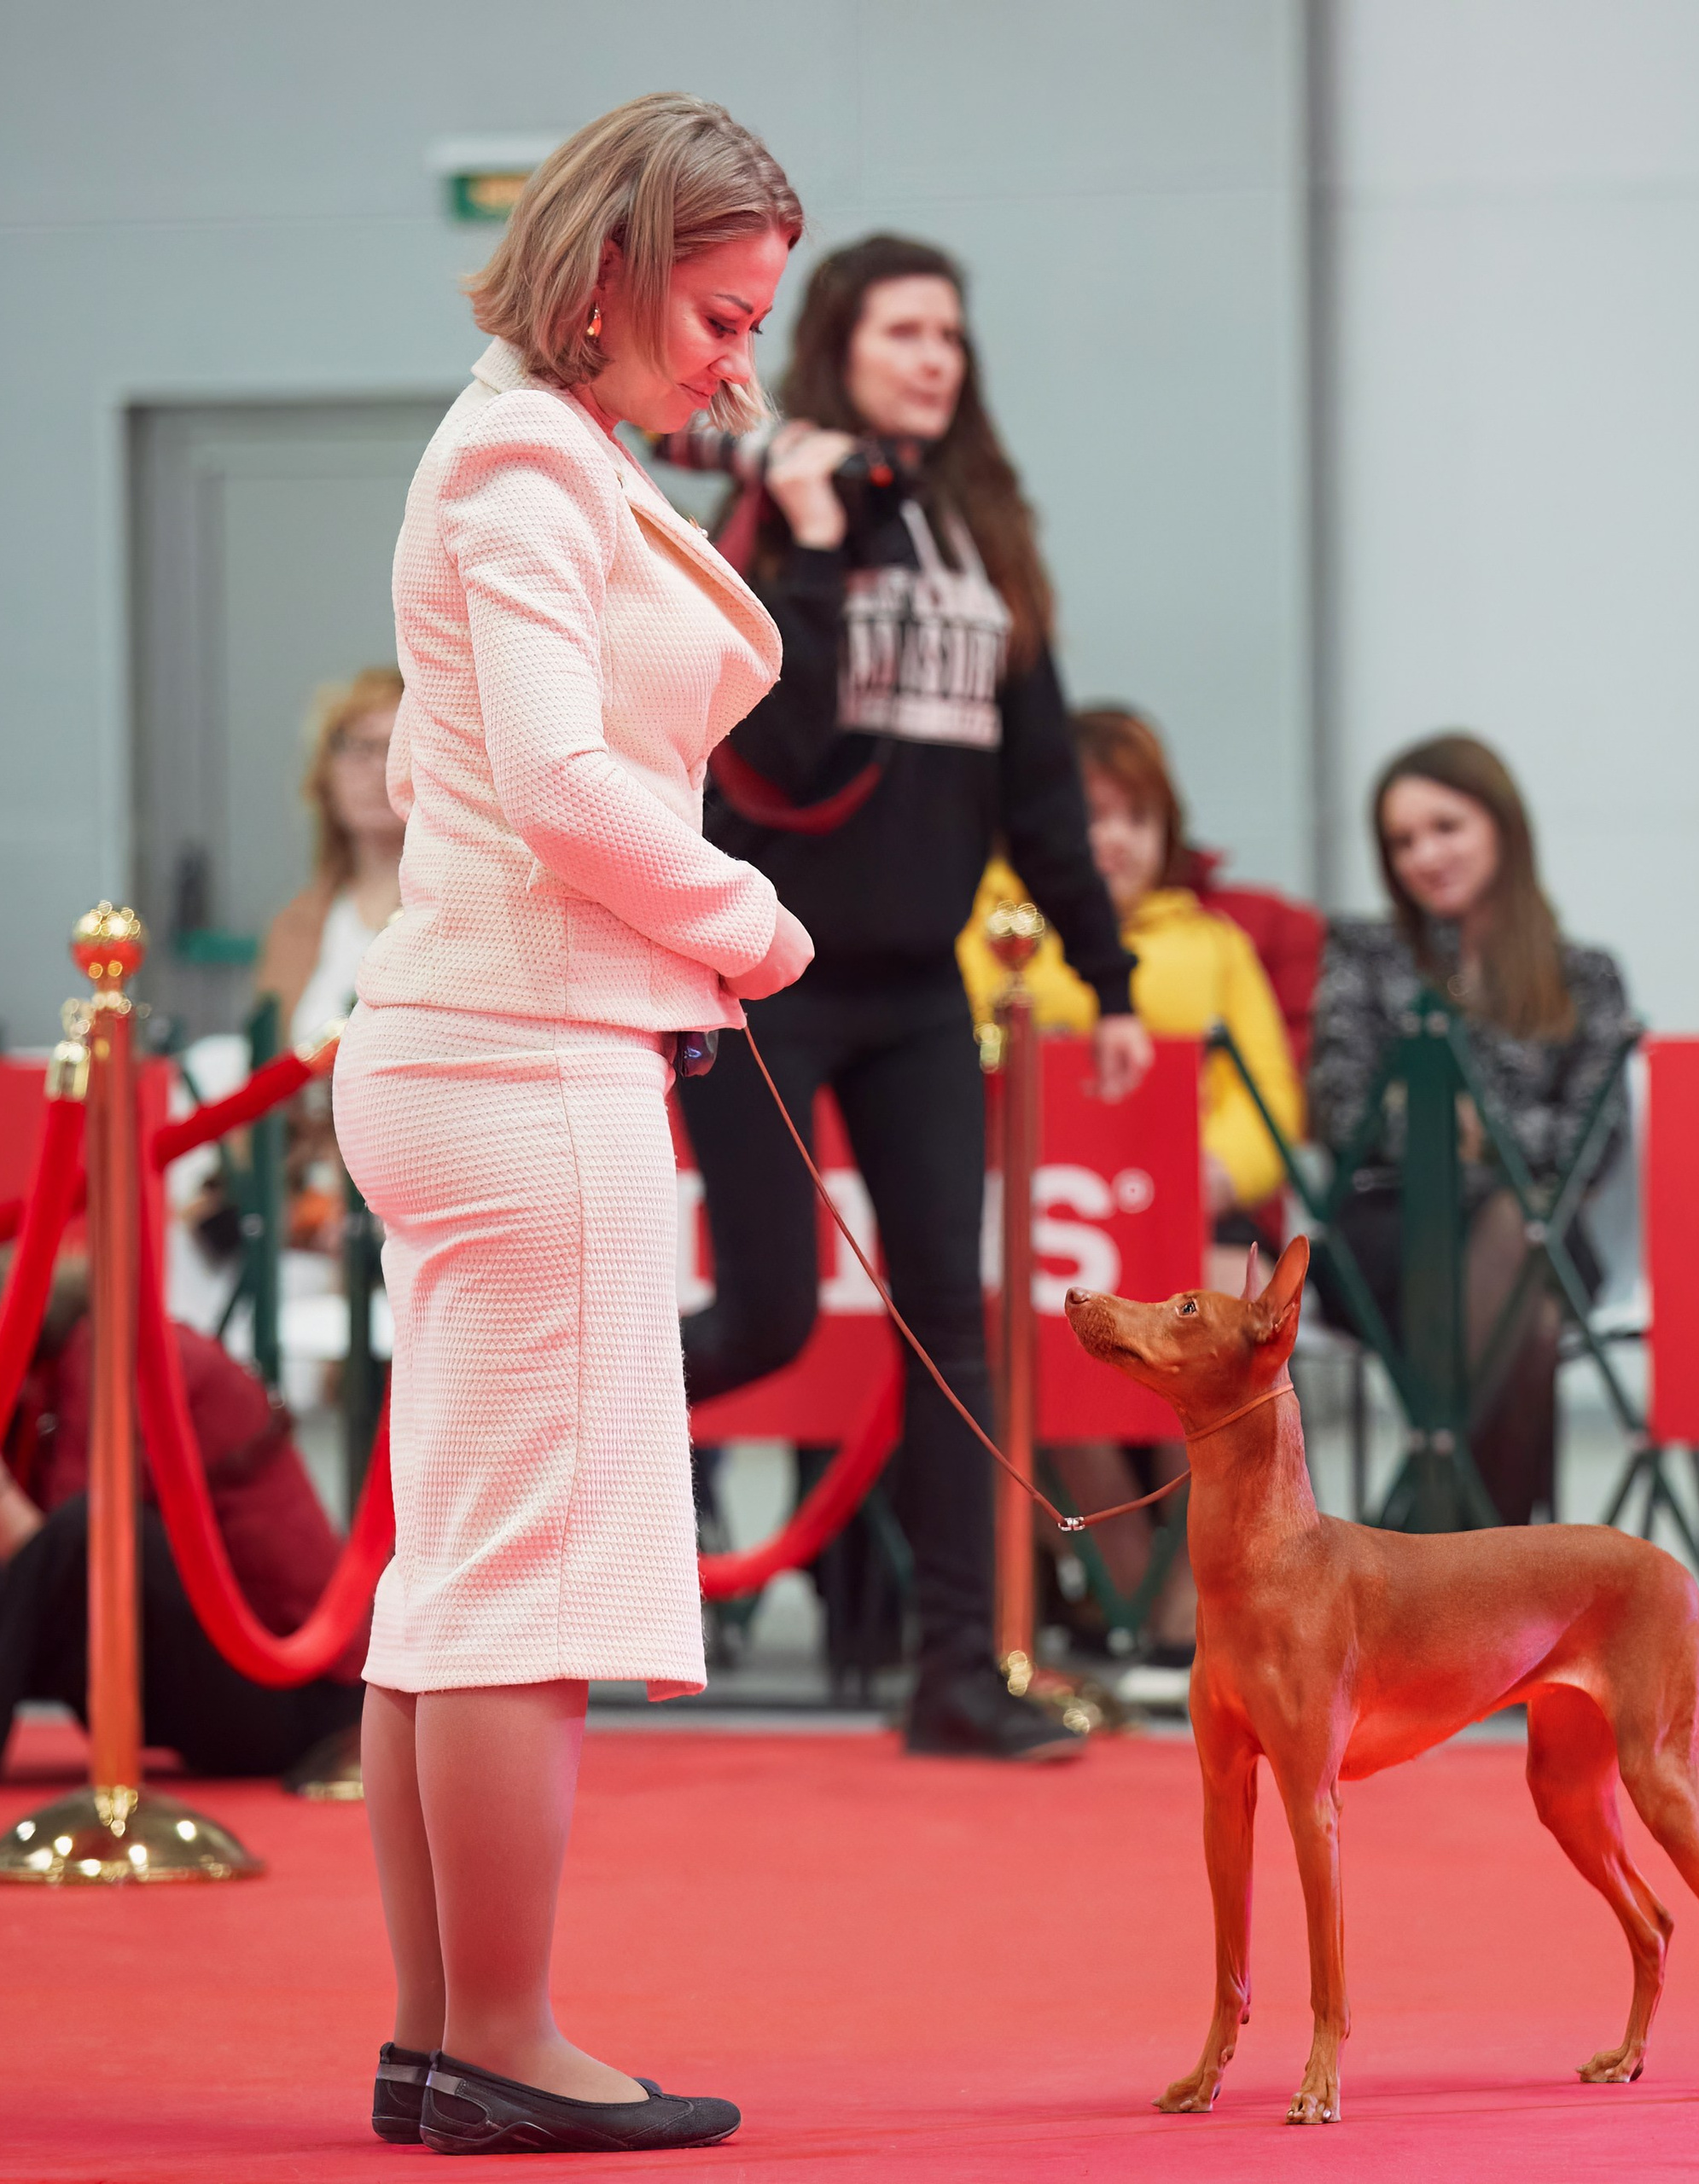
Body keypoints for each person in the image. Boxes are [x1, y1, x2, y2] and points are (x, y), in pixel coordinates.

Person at [330, 95, 810, 2153]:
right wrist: (758, 924)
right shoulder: (527, 458)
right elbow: (561, 784)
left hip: (475, 1043)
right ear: (607, 277)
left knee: (453, 1582)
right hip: (527, 1058)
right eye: (715, 313)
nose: (735, 360)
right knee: (516, 1587)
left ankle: (448, 2037)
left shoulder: (527, 445)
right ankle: (504, 2038)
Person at [666, 235, 1151, 1761]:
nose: (935, 356)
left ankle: (958, 1671)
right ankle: (506, 1519)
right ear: (839, 348)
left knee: (953, 1323)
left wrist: (1107, 969)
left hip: (923, 991)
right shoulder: (771, 511)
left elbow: (1044, 786)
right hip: (762, 975)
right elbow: (779, 756)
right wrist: (808, 543)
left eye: (951, 332)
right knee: (751, 1320)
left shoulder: (984, 536)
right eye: (903, 331)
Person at [957, 706, 1306, 1656]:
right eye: (1084, 815)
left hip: (1190, 1224)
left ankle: (1225, 1576)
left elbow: (1268, 1096)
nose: (1108, 839)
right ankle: (1133, 1581)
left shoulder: (1217, 945)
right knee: (1052, 1323)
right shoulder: (991, 933)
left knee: (1228, 1326)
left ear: (1166, 833)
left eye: (1132, 818)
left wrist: (1207, 1173)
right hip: (1052, 1232)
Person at [1310, 734, 1632, 1527]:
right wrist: (1510, 1138)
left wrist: (1464, 1127)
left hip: (1540, 1232)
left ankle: (1427, 1546)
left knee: (1518, 1245)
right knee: (1525, 1304)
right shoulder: (1366, 953)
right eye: (1402, 841)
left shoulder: (1584, 974)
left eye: (1446, 827)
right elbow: (1345, 1110)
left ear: (1502, 827)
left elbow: (1595, 1139)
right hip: (1389, 1232)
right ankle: (1499, 1582)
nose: (1425, 854)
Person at [0, 1264, 365, 1774]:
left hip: (300, 1694)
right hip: (258, 1679)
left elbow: (63, 1548)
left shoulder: (110, 1355)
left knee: (92, 1528)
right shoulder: (73, 1369)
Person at [257, 666, 407, 1045]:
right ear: (325, 774)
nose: (379, 768)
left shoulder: (463, 913)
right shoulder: (296, 921)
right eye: (358, 747)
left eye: (397, 747)